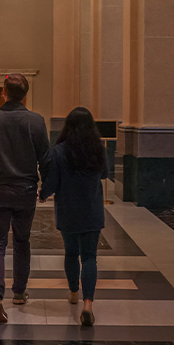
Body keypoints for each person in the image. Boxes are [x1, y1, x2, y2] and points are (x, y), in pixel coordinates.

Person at [0, 73, 50, 323]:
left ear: (4, 93)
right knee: (22, 242)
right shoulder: (37, 121)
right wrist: (46, 187)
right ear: (25, 95)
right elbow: (45, 159)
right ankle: (19, 292)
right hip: (25, 190)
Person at [38, 106, 107, 327]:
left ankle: (73, 292)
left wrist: (43, 194)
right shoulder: (99, 148)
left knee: (71, 252)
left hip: (68, 210)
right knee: (89, 256)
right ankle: (88, 304)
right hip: (92, 208)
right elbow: (105, 174)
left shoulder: (59, 151)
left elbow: (53, 180)